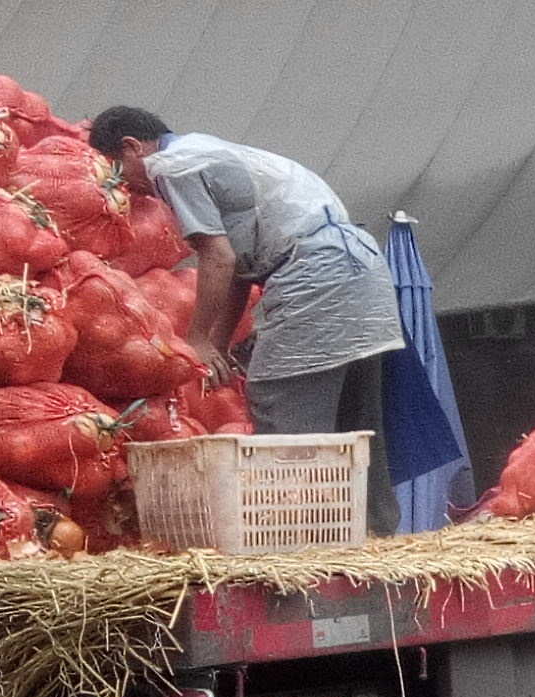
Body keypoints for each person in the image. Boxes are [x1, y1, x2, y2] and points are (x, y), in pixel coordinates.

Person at [88, 107, 404, 534]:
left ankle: (297, 546)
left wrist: (196, 338)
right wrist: (217, 342)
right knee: (357, 419)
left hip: (315, 272)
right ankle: (378, 535)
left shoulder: (173, 166)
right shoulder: (209, 149)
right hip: (363, 270)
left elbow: (218, 257)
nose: (126, 185)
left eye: (119, 170)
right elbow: (240, 265)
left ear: (130, 147)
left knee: (278, 399)